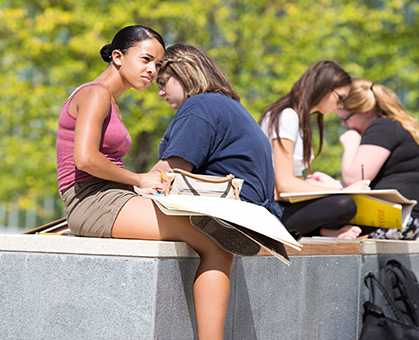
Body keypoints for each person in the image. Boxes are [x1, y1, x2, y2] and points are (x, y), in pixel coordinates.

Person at [56, 26, 257, 340]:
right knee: (215, 238)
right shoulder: (94, 94)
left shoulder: (108, 101)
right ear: (118, 56)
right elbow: (85, 159)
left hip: (110, 197)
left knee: (217, 231)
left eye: (158, 64)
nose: (152, 71)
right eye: (145, 60)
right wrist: (138, 179)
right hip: (91, 202)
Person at [151, 43, 281, 220]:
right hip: (255, 215)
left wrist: (124, 188)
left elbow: (168, 174)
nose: (160, 92)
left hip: (231, 216)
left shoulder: (200, 105)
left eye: (162, 82)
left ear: (186, 71)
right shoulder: (224, 104)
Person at [260, 61, 370, 239]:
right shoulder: (287, 115)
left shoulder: (298, 119)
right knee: (345, 204)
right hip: (273, 209)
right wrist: (342, 191)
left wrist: (319, 186)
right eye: (340, 98)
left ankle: (324, 230)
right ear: (325, 87)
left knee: (359, 212)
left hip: (285, 205)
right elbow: (284, 185)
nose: (340, 106)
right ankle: (323, 230)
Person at [336, 78, 419, 240]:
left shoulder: (382, 127)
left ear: (367, 110)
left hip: (400, 222)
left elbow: (355, 177)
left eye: (346, 118)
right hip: (407, 220)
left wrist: (351, 143)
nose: (345, 124)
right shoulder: (398, 125)